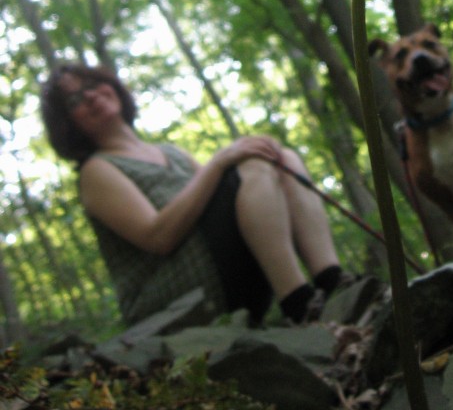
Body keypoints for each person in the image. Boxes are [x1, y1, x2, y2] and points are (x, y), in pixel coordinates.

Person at [40, 61, 350, 326]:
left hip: (232, 266)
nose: (91, 96)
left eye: (93, 84)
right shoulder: (97, 171)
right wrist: (219, 160)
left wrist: (227, 162)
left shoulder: (170, 152)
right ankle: (299, 304)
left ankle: (333, 282)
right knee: (254, 166)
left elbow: (225, 199)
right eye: (75, 100)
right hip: (188, 294)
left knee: (284, 158)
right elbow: (157, 238)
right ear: (68, 124)